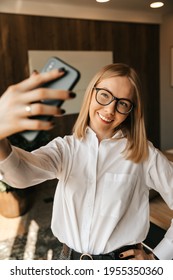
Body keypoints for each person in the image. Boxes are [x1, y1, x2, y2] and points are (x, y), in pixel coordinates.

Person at [0, 63, 173, 260]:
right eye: (105, 95)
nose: (110, 109)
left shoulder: (144, 155)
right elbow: (20, 175)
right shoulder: (65, 149)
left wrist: (157, 258)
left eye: (123, 103)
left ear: (131, 111)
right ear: (91, 93)